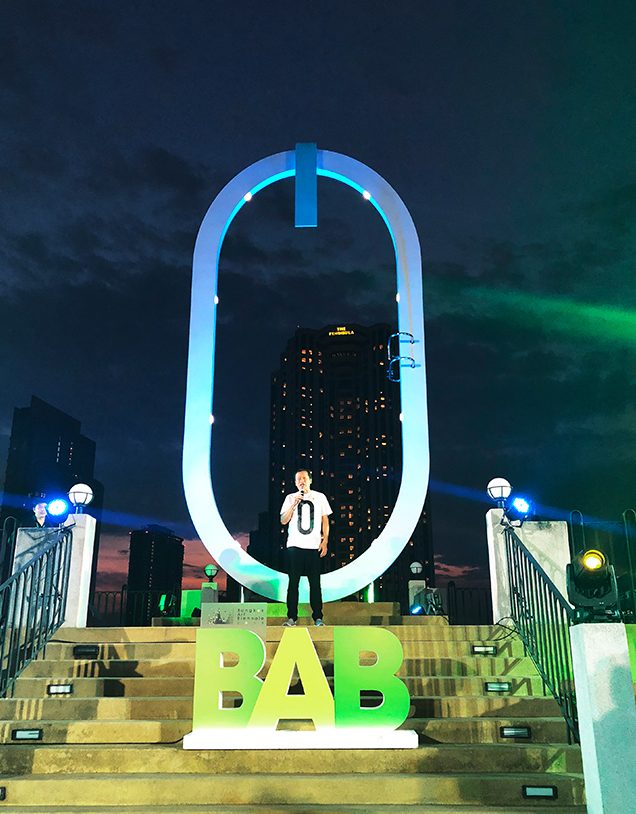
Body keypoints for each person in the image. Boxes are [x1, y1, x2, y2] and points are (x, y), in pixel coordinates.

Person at [280, 468, 331, 627]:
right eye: (298, 479)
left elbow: (325, 520)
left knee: (315, 584)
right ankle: (292, 618)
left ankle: (318, 617)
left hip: (313, 547)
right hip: (295, 546)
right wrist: (294, 503)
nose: (301, 481)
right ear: (295, 483)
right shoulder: (290, 498)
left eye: (303, 478)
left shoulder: (320, 497)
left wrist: (325, 541)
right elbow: (283, 520)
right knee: (293, 583)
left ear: (310, 480)